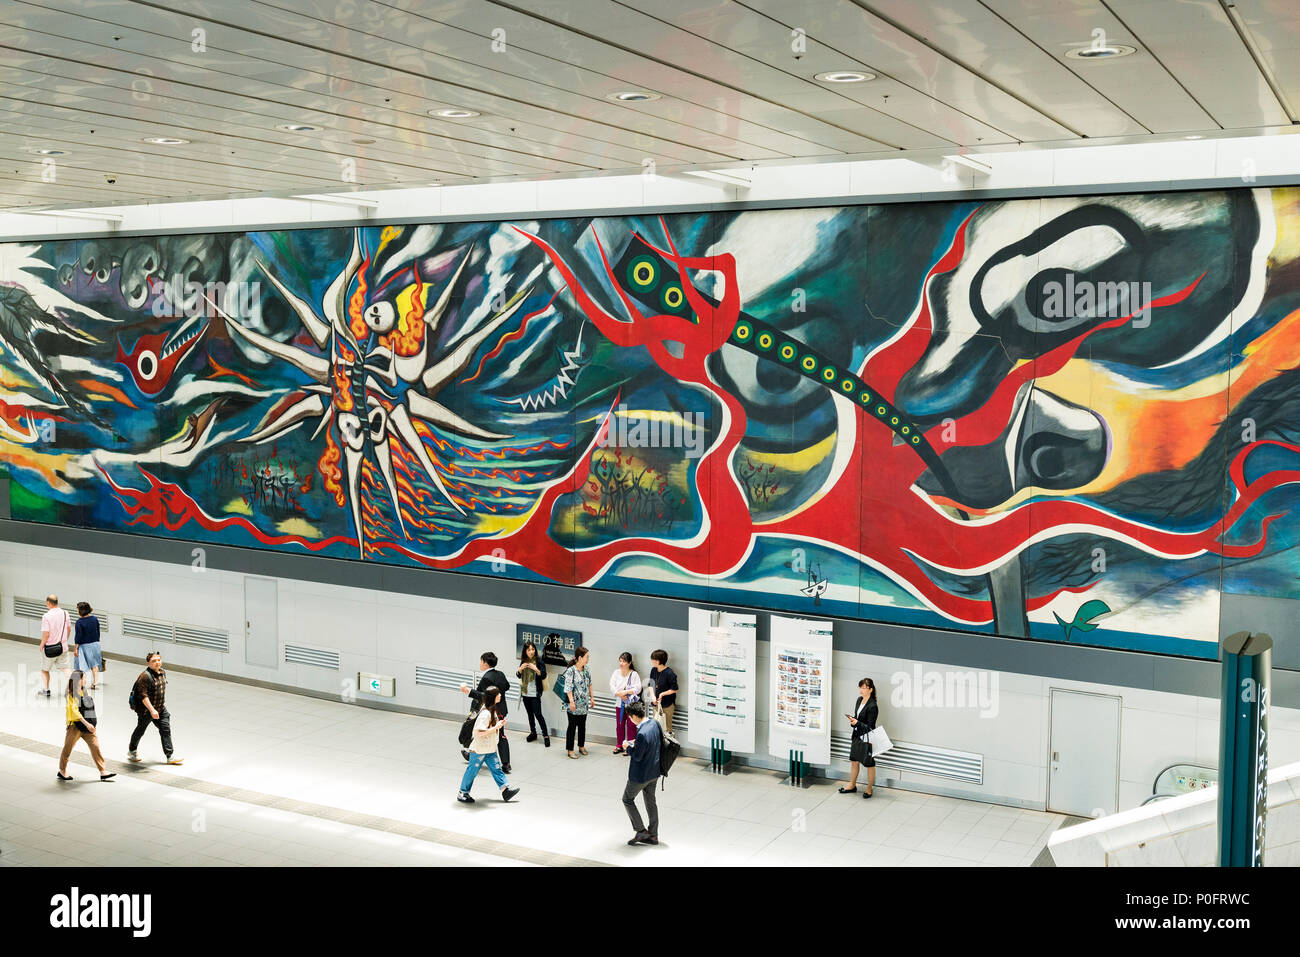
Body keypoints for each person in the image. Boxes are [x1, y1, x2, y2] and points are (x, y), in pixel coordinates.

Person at [457, 687, 519, 804]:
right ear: (493, 697)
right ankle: (462, 792)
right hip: (480, 750)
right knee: (472, 771)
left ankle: (505, 790)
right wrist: (496, 727)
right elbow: (479, 733)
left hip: (489, 748)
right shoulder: (485, 713)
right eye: (498, 694)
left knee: (497, 769)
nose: (500, 695)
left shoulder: (492, 710)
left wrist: (498, 725)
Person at [57, 670, 115, 782]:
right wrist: (87, 724)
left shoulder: (85, 690)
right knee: (67, 749)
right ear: (78, 680)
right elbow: (74, 712)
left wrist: (92, 723)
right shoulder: (70, 694)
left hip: (88, 726)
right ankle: (62, 770)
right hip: (75, 726)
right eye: (84, 678)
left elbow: (89, 707)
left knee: (95, 747)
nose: (85, 680)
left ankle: (103, 771)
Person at [127, 652, 184, 765]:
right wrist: (152, 710)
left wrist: (161, 706)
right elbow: (143, 696)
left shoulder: (162, 672)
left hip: (160, 708)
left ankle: (170, 756)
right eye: (154, 661)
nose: (157, 662)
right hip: (146, 710)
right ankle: (132, 750)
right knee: (140, 730)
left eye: (158, 660)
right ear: (148, 663)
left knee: (165, 729)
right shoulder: (144, 676)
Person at [459, 652, 512, 772]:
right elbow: (507, 686)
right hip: (502, 709)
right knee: (501, 735)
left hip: (490, 711)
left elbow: (483, 696)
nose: (480, 664)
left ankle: (473, 755)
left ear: (485, 663)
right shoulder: (500, 674)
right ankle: (506, 763)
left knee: (481, 733)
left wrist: (468, 691)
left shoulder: (487, 678)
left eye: (481, 661)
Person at [622, 701, 662, 846]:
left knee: (627, 799)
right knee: (651, 802)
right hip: (654, 771)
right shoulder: (654, 723)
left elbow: (637, 756)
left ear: (633, 716)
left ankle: (640, 830)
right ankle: (653, 834)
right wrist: (636, 742)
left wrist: (627, 747)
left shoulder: (642, 733)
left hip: (640, 775)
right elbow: (652, 743)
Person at [840, 677, 878, 798]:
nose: (861, 690)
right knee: (854, 761)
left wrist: (857, 723)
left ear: (870, 689)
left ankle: (869, 789)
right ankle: (852, 785)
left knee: (869, 764)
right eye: (860, 687)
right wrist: (853, 722)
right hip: (857, 735)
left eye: (864, 688)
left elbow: (870, 727)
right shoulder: (859, 700)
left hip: (867, 738)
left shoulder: (873, 706)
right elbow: (858, 717)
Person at [516, 640, 550, 747]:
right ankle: (533, 732)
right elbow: (518, 675)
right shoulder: (524, 661)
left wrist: (536, 669)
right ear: (525, 651)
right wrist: (520, 669)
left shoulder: (539, 661)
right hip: (525, 693)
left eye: (533, 649)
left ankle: (545, 735)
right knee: (530, 715)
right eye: (529, 649)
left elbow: (543, 675)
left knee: (538, 714)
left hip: (535, 693)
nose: (531, 651)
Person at [38, 594, 73, 697]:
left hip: (50, 649)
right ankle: (74, 688)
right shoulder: (65, 613)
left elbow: (46, 633)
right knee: (66, 668)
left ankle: (46, 690)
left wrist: (41, 644)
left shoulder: (46, 616)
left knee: (45, 670)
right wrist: (64, 640)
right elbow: (69, 628)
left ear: (48, 603)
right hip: (63, 647)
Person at [563, 646, 594, 759]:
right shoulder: (571, 671)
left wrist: (592, 698)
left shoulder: (586, 669)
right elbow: (568, 688)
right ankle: (570, 750)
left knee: (582, 726)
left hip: (584, 704)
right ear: (580, 657)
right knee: (572, 727)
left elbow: (590, 684)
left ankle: (581, 746)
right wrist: (571, 702)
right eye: (587, 657)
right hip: (573, 704)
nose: (588, 659)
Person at [609, 652, 642, 754]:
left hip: (631, 705)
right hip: (620, 704)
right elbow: (612, 685)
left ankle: (629, 747)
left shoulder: (634, 674)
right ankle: (619, 745)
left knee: (631, 725)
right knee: (620, 724)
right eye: (620, 661)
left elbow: (638, 688)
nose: (621, 663)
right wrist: (619, 694)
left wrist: (626, 692)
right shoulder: (616, 673)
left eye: (623, 661)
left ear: (629, 663)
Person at [646, 649, 679, 733]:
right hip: (656, 704)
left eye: (653, 659)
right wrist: (653, 697)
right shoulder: (654, 670)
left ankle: (668, 745)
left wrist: (662, 694)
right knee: (656, 727)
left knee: (667, 728)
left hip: (667, 705)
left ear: (658, 661)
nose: (652, 661)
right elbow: (651, 684)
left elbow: (675, 689)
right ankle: (657, 746)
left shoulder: (669, 673)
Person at [73, 602, 103, 690]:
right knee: (94, 664)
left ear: (81, 610)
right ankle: (95, 682)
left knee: (82, 665)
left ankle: (82, 683)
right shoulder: (94, 619)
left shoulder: (79, 622)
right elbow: (98, 631)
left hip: (84, 646)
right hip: (95, 644)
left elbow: (78, 636)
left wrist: (75, 648)